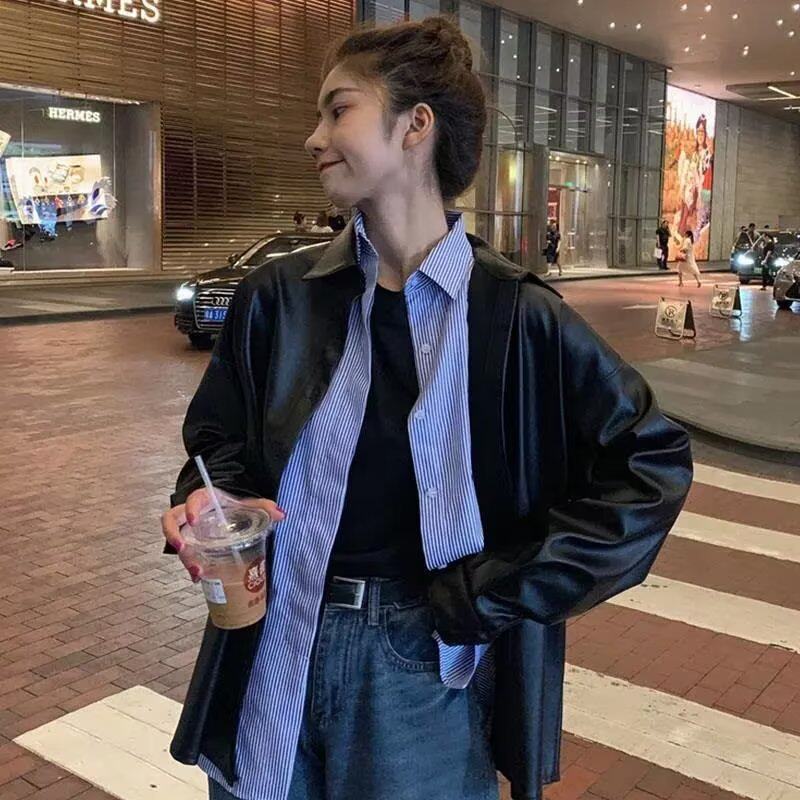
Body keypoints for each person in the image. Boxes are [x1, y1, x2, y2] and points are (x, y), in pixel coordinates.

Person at [161, 16, 692, 800]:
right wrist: (208, 497)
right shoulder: (281, 298)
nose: (313, 138)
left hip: (423, 666)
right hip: (272, 636)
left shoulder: (516, 316)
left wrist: (492, 592)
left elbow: (650, 466)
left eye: (338, 110)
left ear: (416, 126)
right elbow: (219, 439)